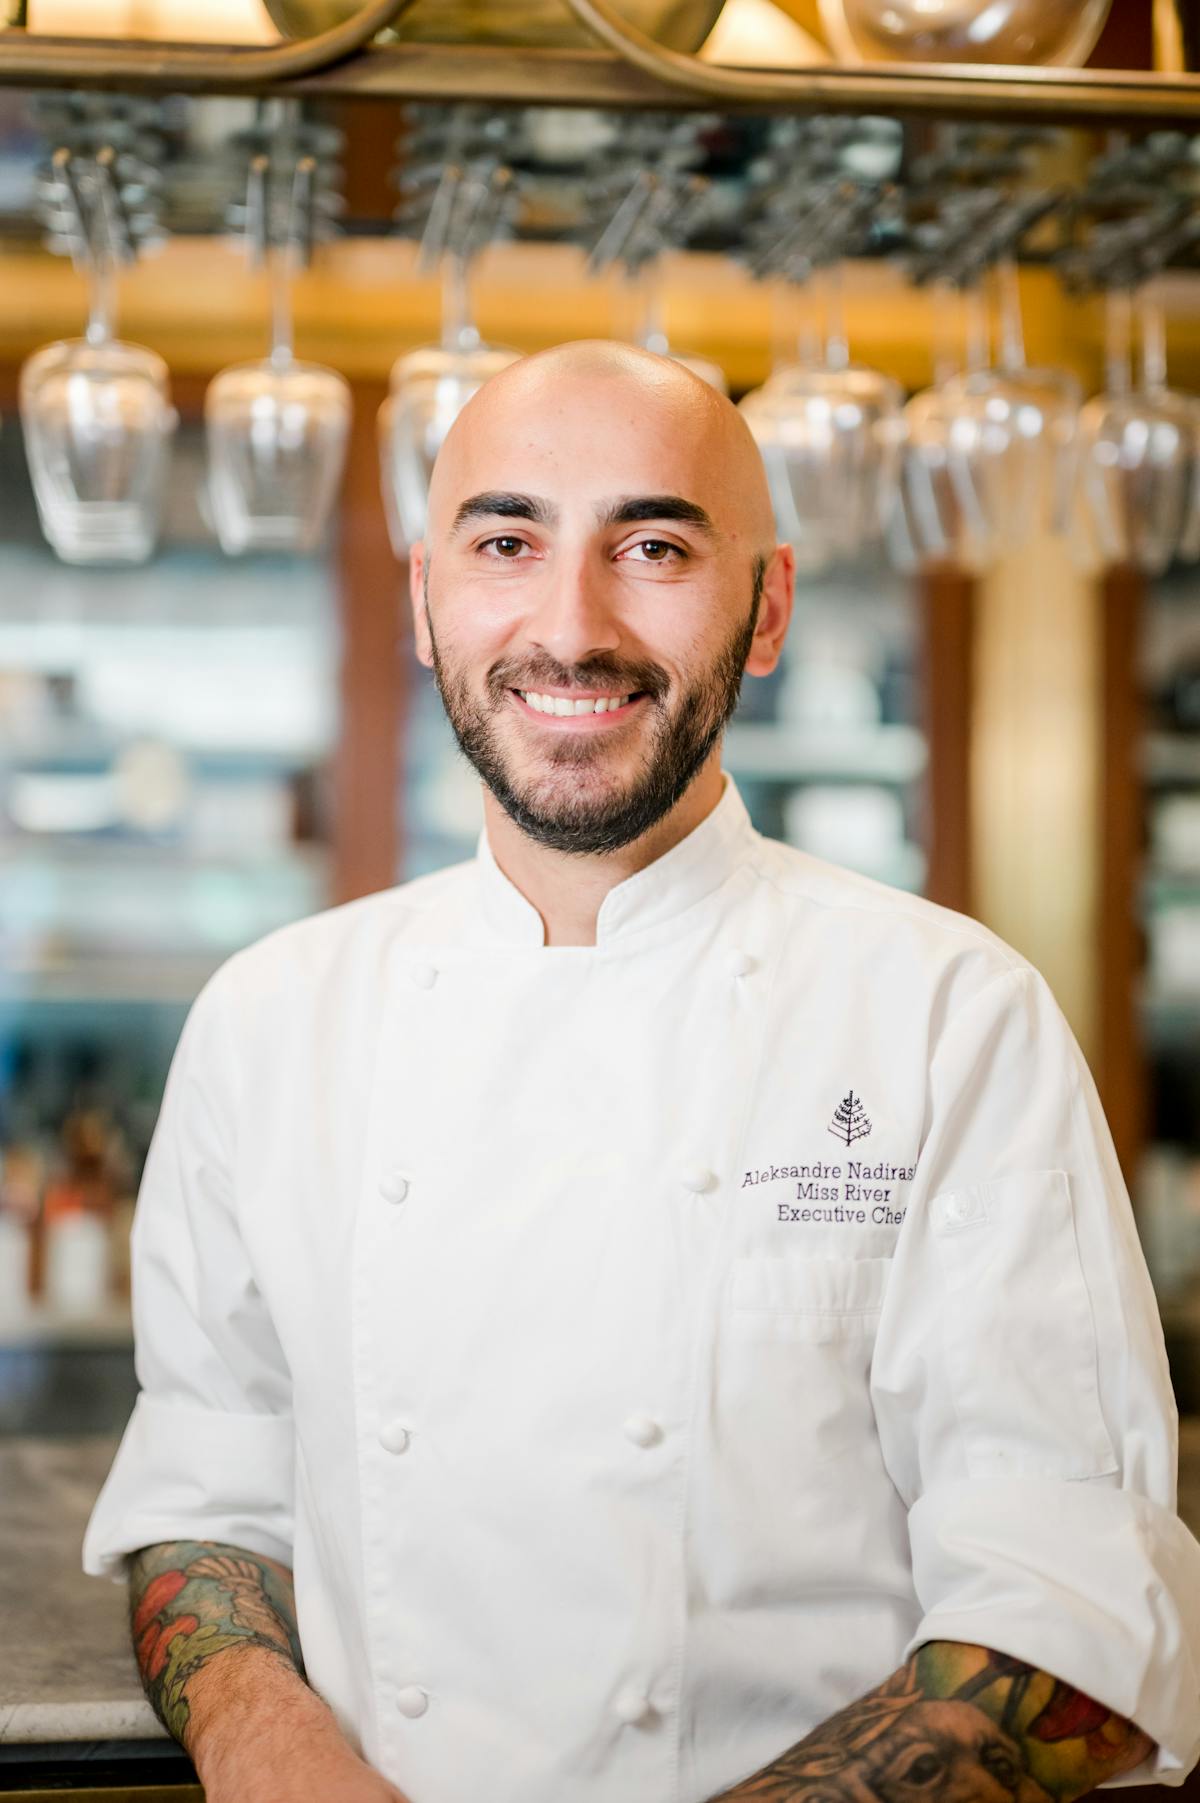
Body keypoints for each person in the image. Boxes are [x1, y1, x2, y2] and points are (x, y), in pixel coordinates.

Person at [84, 341, 1200, 1803]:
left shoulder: (948, 1017)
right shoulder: (270, 1022)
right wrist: (261, 1734)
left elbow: (1067, 1606)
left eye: (655, 544)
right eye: (506, 541)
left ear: (769, 607)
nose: (571, 624)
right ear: (427, 600)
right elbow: (208, 1490)